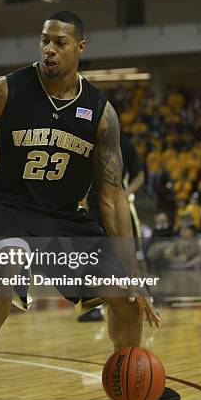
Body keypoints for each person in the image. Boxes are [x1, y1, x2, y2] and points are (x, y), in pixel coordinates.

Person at [0, 11, 180, 400]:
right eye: (44, 40)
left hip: (63, 217)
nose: (49, 49)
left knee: (128, 293)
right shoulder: (5, 91)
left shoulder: (100, 112)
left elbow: (112, 196)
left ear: (79, 48)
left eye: (59, 43)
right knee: (6, 264)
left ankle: (132, 372)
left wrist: (131, 266)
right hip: (3, 205)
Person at [79, 133, 145, 321]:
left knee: (132, 254)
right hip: (93, 206)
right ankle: (94, 306)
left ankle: (142, 296)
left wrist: (124, 194)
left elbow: (140, 175)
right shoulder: (87, 142)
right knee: (91, 257)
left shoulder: (125, 144)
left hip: (117, 205)